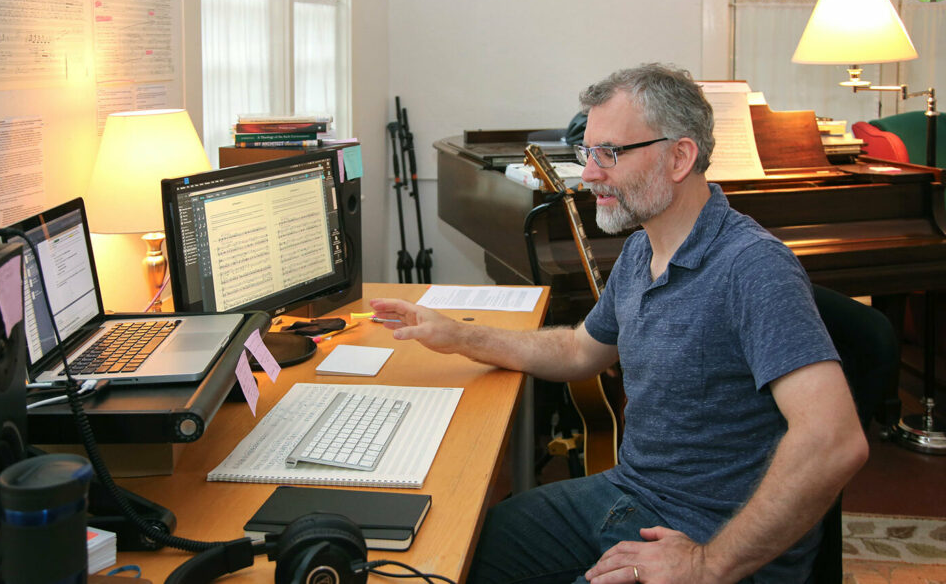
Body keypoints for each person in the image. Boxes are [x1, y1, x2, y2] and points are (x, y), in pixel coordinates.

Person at [370, 63, 868, 583]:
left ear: (679, 157)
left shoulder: (753, 266)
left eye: (609, 153)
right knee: (455, 554)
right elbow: (580, 351)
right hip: (630, 494)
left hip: (706, 538)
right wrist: (458, 335)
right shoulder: (640, 249)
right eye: (589, 152)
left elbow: (834, 440)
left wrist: (708, 564)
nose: (588, 174)